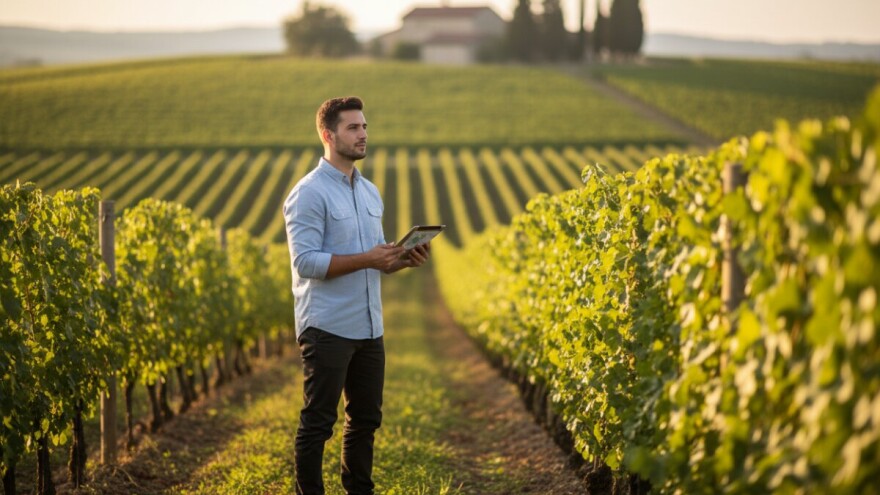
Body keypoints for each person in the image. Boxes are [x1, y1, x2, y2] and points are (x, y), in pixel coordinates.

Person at [283, 96, 431, 495]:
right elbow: (306, 263)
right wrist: (368, 258)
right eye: (353, 127)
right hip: (326, 325)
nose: (363, 134)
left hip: (369, 326)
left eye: (364, 126)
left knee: (365, 421)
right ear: (328, 135)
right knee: (318, 423)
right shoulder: (308, 193)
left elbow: (375, 259)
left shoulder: (370, 192)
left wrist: (401, 259)